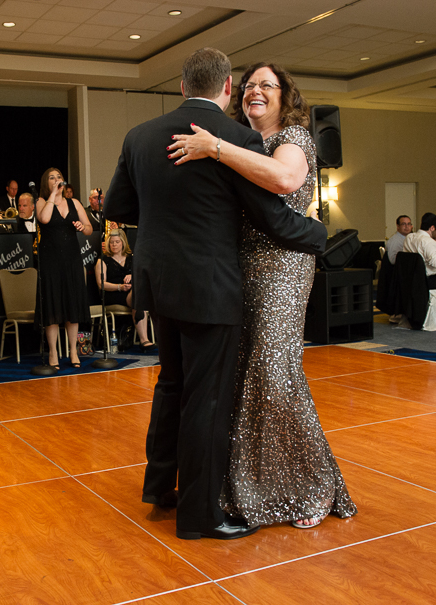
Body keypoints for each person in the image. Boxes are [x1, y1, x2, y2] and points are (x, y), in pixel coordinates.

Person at [105, 48, 326, 541]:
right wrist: (318, 237)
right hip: (210, 286)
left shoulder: (139, 136)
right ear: (227, 88)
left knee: (171, 384)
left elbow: (118, 204)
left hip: (159, 283)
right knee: (205, 399)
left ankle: (160, 486)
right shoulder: (238, 139)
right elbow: (269, 216)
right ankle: (201, 515)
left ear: (182, 87)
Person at [168, 60, 354, 531]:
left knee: (274, 371)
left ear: (284, 94)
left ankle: (306, 486)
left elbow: (284, 180)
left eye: (267, 86)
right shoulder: (240, 141)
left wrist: (215, 146)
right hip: (240, 267)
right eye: (249, 86)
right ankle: (247, 486)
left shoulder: (293, 139)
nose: (256, 92)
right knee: (244, 377)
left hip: (284, 268)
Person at [36, 167, 92, 369]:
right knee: (53, 307)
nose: (57, 179)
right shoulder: (42, 202)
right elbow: (44, 219)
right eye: (52, 177)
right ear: (46, 183)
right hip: (50, 261)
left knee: (72, 305)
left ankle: (73, 351)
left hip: (72, 260)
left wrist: (81, 227)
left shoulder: (74, 203)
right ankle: (53, 353)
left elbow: (89, 229)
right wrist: (53, 194)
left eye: (59, 177)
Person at [94, 228, 153, 349]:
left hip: (132, 292)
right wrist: (119, 287)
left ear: (123, 243)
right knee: (139, 297)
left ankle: (144, 338)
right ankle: (144, 340)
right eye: (111, 242)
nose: (114, 245)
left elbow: (144, 276)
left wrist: (133, 276)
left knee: (138, 293)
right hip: (113, 294)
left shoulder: (132, 258)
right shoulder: (103, 260)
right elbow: (101, 284)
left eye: (117, 242)